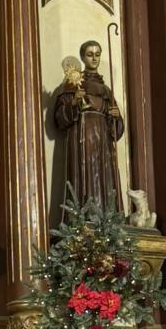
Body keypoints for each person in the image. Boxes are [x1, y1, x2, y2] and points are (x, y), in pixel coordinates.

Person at [52, 40, 123, 212]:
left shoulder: (107, 90)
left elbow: (116, 130)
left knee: (105, 177)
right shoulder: (72, 85)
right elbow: (60, 118)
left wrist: (116, 118)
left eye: (97, 54)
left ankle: (107, 217)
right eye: (90, 54)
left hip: (103, 143)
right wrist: (75, 101)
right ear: (83, 57)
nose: (94, 58)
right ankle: (83, 216)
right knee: (83, 175)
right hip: (81, 137)